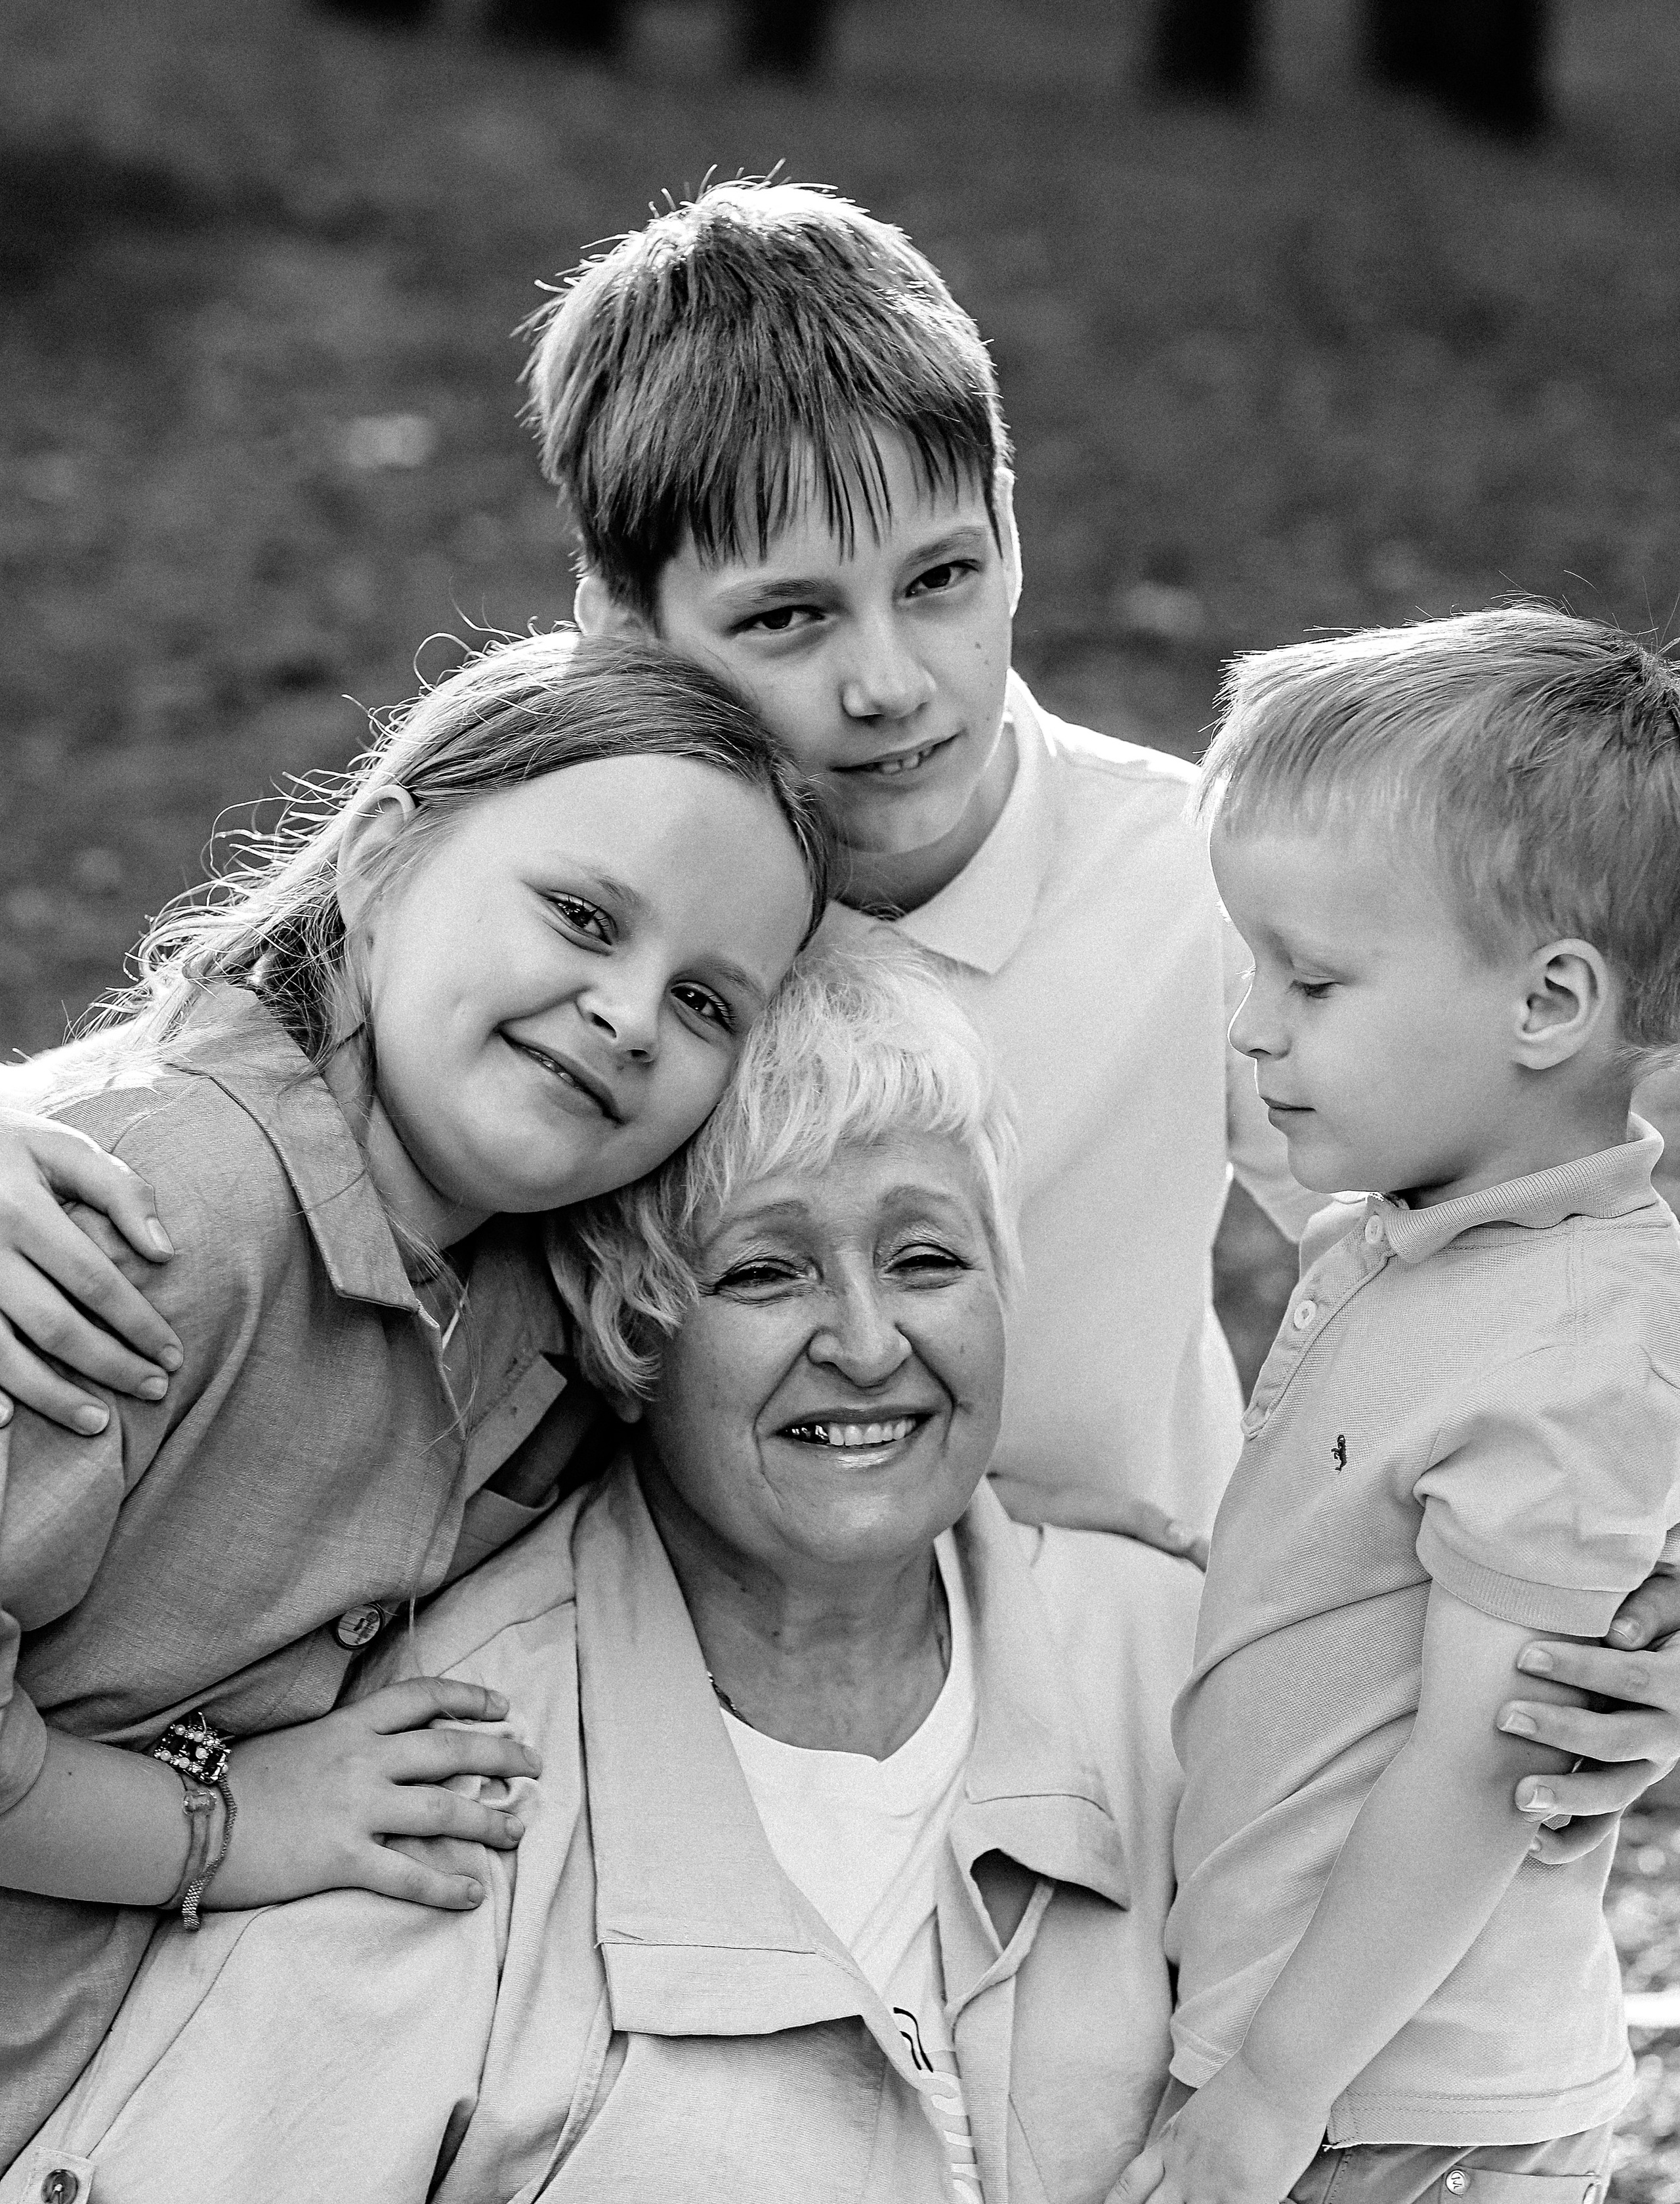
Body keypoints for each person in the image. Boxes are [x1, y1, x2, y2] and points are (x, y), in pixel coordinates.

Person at [0, 182, 1675, 1823]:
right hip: (649, 1691)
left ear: (1014, 527)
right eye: (788, 616)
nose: (887, 681)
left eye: (941, 577)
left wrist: (1605, 1573)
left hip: (1102, 1686)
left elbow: (1526, 1230)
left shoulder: (1210, 891)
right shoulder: (609, 909)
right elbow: (278, 1048)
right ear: (617, 632)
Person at [0, 938, 1572, 2204]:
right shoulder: (462, 1736)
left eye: (927, 1261)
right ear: (629, 1326)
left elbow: (1432, 2152)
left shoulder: (1180, 1667)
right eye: (764, 1271)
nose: (869, 1342)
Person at [0, 629, 833, 2173]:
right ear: (383, 865)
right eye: (582, 916)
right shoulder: (153, 1220)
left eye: (710, 1003)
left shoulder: (538, 1309)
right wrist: (234, 1824)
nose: (632, 1015)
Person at [1089, 610, 1680, 2204]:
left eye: (1313, 979)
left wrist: (1272, 2091)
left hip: (1380, 2097)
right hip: (1346, 2073)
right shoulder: (1436, 1231)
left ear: (1548, 1008)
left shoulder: (1577, 1341)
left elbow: (1486, 1764)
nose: (1254, 1022)